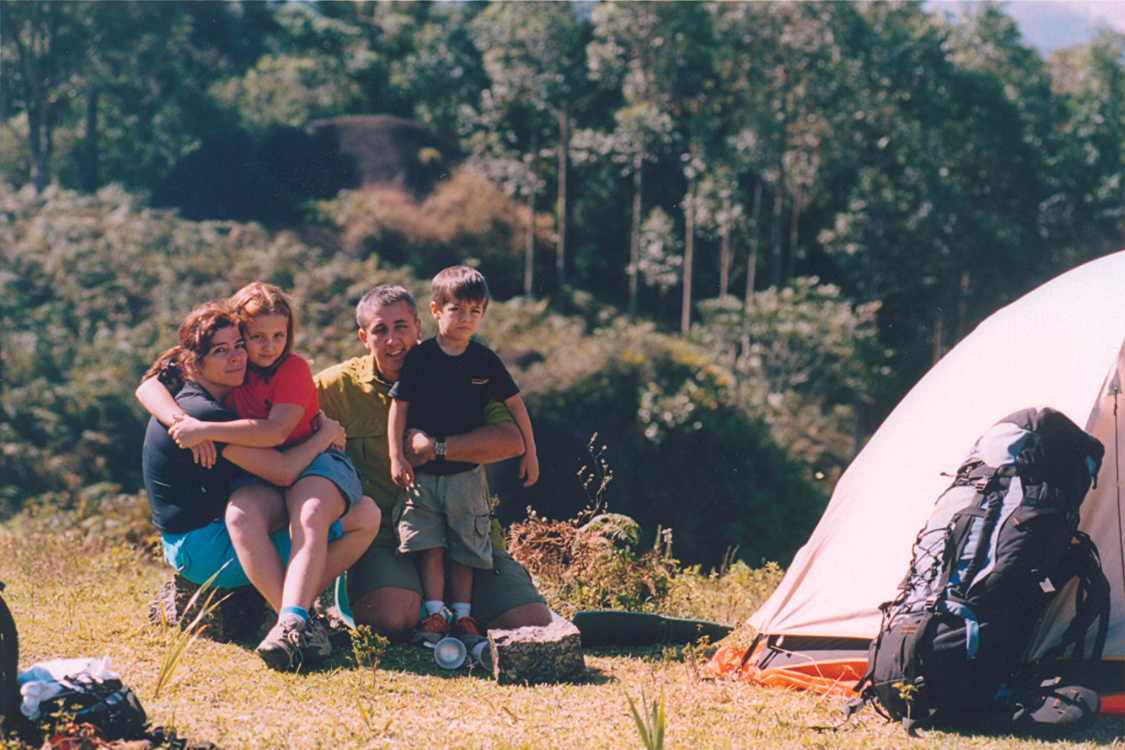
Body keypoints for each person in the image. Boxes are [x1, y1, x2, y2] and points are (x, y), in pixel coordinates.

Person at [137, 287, 379, 671]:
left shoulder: (202, 396)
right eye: (225, 349)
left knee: (305, 513)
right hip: (204, 549)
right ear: (192, 361)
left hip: (190, 541)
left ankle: (288, 618)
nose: (239, 354)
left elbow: (276, 437)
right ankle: (294, 618)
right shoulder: (207, 411)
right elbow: (280, 467)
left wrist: (190, 425)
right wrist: (324, 433)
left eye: (237, 346)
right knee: (361, 516)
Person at [314, 284, 553, 643]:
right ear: (365, 337)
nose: (393, 339)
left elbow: (510, 438)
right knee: (393, 618)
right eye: (381, 330)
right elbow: (287, 417)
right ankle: (425, 607)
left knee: (530, 623)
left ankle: (455, 612)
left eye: (401, 327)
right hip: (385, 541)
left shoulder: (465, 369)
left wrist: (437, 448)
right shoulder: (339, 388)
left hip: (463, 534)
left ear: (420, 328)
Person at [386, 266, 538, 646]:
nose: (467, 318)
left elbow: (516, 406)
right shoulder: (420, 358)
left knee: (467, 545)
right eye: (457, 309)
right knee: (429, 543)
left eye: (476, 311)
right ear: (436, 311)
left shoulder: (484, 361)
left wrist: (531, 452)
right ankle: (435, 615)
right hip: (421, 477)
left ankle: (464, 618)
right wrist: (396, 457)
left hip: (467, 476)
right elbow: (399, 408)